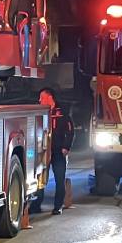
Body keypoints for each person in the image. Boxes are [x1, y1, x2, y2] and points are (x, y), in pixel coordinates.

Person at [31, 87, 74, 216]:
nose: (39, 100)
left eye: (42, 97)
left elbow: (70, 131)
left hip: (58, 152)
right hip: (43, 151)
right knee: (40, 178)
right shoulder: (39, 113)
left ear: (50, 98)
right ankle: (36, 205)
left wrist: (66, 147)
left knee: (59, 179)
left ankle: (58, 206)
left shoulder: (62, 112)